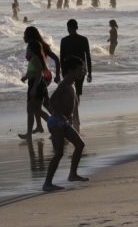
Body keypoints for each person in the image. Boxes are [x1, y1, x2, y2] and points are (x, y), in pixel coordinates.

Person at [41, 56, 89, 191]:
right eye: (80, 70)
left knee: (79, 145)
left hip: (64, 122)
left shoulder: (71, 85)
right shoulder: (64, 85)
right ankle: (47, 183)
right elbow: (50, 100)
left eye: (83, 70)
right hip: (56, 122)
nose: (83, 72)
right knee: (59, 153)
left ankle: (72, 174)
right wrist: (57, 114)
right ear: (71, 70)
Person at [59, 20, 92, 129]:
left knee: (69, 94)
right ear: (77, 27)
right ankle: (75, 118)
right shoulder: (83, 39)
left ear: (68, 28)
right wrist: (90, 72)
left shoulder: (64, 40)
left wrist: (61, 73)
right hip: (81, 70)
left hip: (68, 71)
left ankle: (73, 117)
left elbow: (61, 58)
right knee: (76, 93)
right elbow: (88, 56)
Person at [19, 39, 50, 140]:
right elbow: (31, 72)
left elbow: (39, 74)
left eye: (28, 48)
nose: (26, 50)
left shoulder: (36, 59)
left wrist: (34, 88)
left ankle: (55, 123)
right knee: (34, 110)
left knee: (34, 110)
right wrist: (25, 77)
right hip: (33, 85)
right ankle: (29, 133)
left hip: (37, 85)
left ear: (32, 49)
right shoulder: (33, 59)